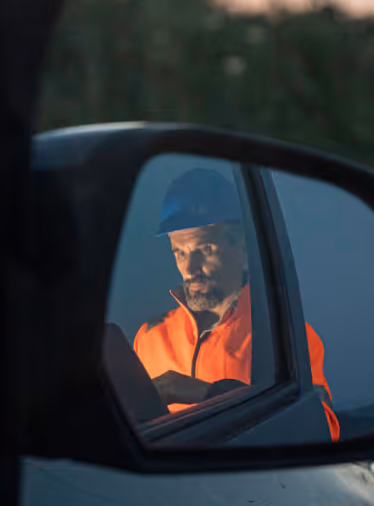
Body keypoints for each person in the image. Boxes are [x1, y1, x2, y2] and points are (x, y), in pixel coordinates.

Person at [132, 167, 340, 441]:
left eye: (204, 249)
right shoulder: (149, 338)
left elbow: (323, 432)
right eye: (179, 252)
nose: (190, 267)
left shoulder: (285, 341)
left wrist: (205, 393)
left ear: (242, 245)